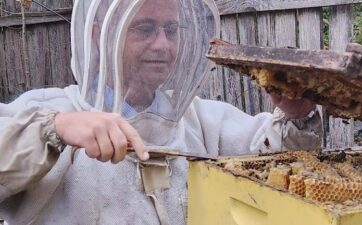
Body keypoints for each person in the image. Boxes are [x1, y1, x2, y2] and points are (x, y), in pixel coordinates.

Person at [0, 0, 322, 224]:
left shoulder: (202, 121)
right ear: (101, 35)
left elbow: (276, 160)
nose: (163, 45)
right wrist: (54, 129)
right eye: (144, 28)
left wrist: (296, 116)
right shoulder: (48, 111)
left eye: (171, 29)